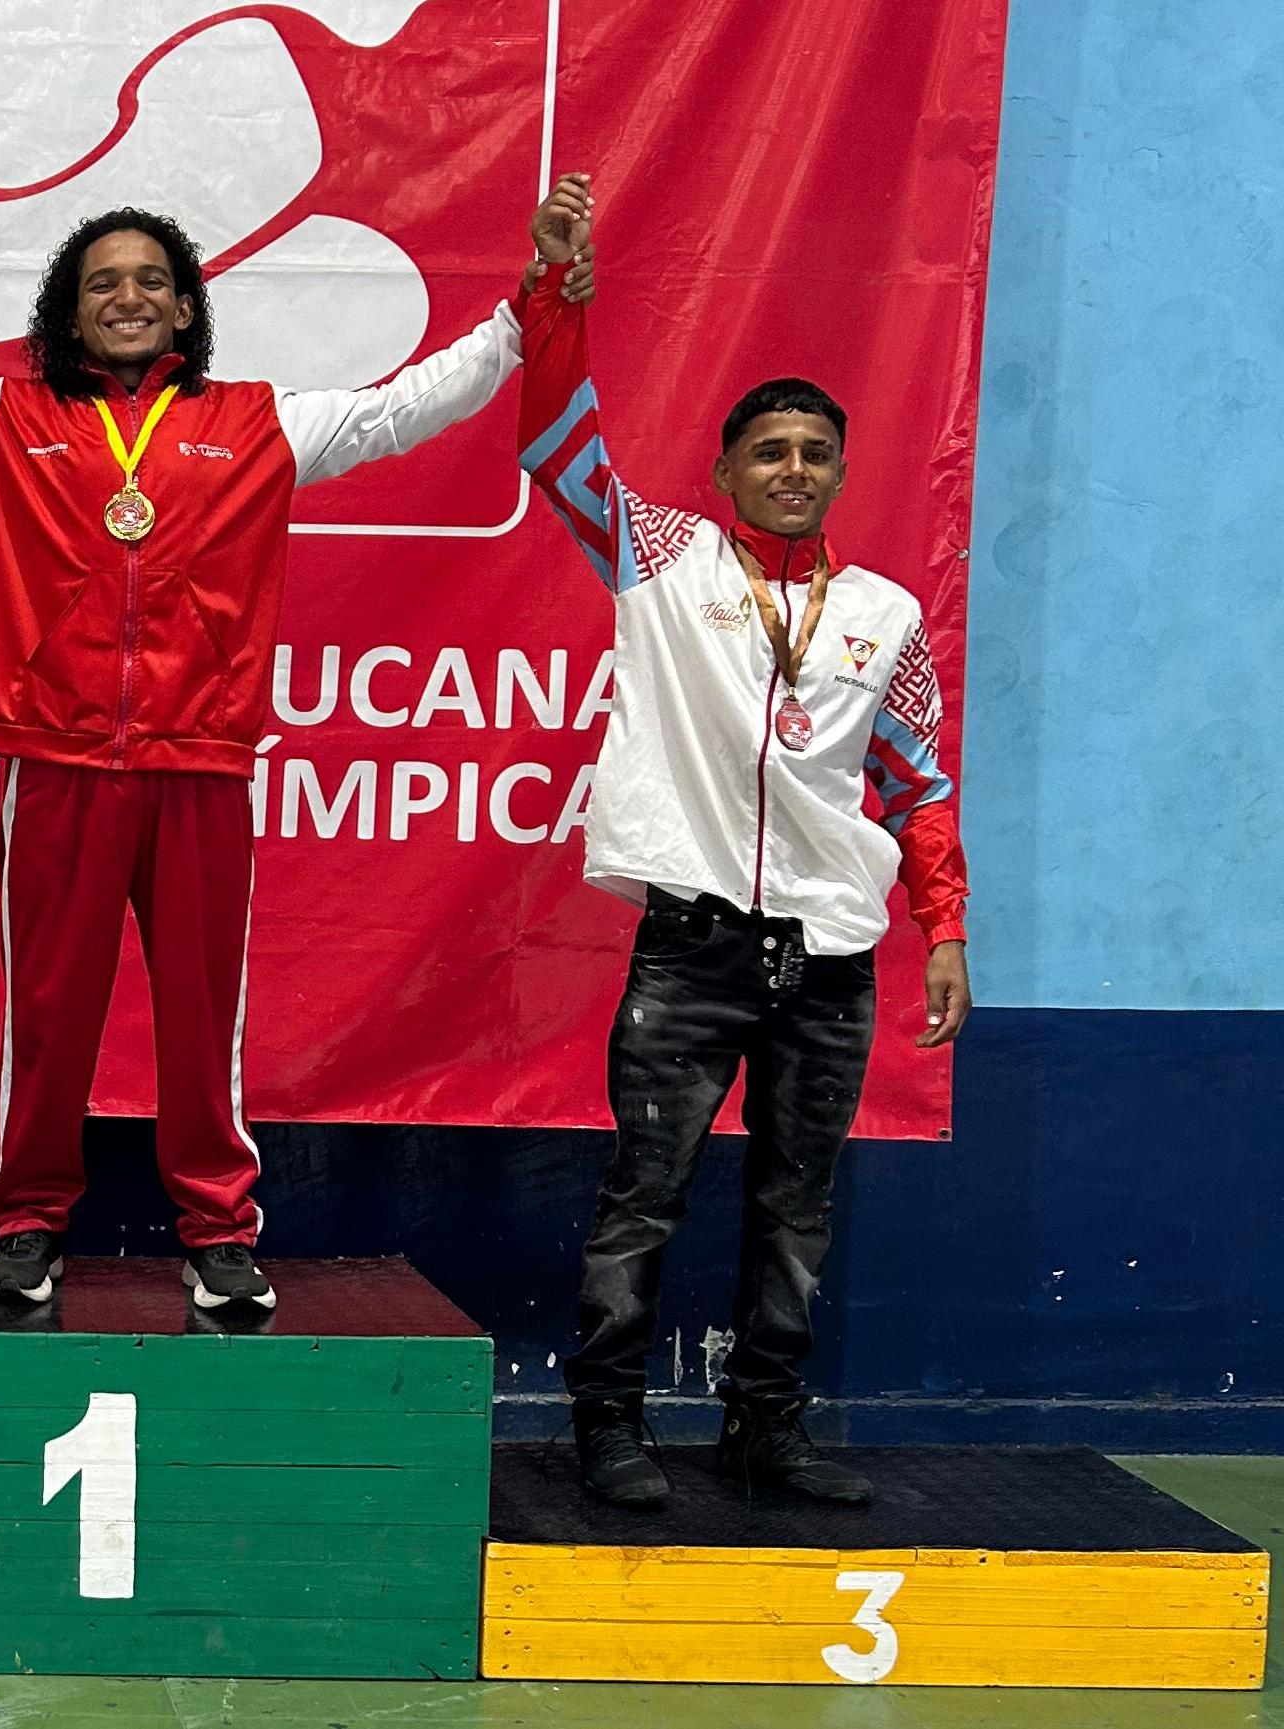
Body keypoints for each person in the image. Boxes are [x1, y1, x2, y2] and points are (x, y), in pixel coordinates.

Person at [0, 127, 562, 1312]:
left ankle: (217, 1230)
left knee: (205, 1017)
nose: (128, 296)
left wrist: (529, 308)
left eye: (151, 280)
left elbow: (409, 407)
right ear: (67, 306)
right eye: (103, 280)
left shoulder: (259, 425)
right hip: (53, 765)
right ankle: (28, 1220)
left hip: (203, 763)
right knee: (48, 1016)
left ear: (184, 309)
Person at [515, 177, 973, 1508]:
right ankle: (606, 1423)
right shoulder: (660, 560)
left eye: (813, 455)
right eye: (766, 452)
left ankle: (765, 1427)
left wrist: (946, 926)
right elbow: (555, 441)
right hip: (693, 946)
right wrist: (558, 295)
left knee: (796, 1211)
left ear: (840, 473)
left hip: (831, 961)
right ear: (722, 474)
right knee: (643, 1192)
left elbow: (918, 784)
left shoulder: (883, 615)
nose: (791, 470)